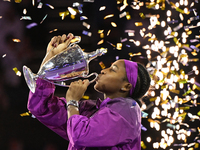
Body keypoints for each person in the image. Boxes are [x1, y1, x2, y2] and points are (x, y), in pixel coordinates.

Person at [27, 33, 151, 150]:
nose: (103, 71)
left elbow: (80, 136)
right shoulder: (92, 109)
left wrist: (72, 102)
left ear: (126, 86)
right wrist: (51, 59)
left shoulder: (128, 110)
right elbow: (41, 108)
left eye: (113, 70)